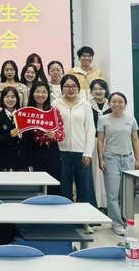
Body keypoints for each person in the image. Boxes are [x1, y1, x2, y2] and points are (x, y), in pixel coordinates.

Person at [97, 92, 139, 236]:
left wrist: (137, 159)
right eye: (114, 102)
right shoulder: (103, 119)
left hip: (128, 158)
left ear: (125, 104)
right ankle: (116, 222)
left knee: (126, 193)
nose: (117, 104)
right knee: (112, 193)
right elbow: (100, 140)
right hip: (111, 158)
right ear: (109, 103)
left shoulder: (130, 119)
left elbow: (135, 140)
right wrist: (101, 159)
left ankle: (126, 220)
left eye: (120, 102)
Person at [52, 75, 96, 206]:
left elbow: (90, 130)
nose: (70, 89)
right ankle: (65, 215)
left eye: (73, 86)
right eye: (67, 86)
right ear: (62, 88)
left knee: (85, 187)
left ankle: (87, 216)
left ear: (78, 88)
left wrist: (88, 153)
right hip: (61, 150)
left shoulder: (85, 105)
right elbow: (53, 127)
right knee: (63, 185)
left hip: (81, 151)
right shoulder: (55, 104)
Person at [28, 82, 64, 194]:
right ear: (32, 93)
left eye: (44, 92)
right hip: (33, 151)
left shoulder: (54, 111)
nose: (40, 95)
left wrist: (54, 135)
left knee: (53, 184)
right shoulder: (26, 112)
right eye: (37, 91)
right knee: (35, 185)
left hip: (51, 150)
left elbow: (61, 134)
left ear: (48, 94)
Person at [0, 86, 31, 171]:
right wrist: (9, 135)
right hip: (4, 160)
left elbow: (28, 139)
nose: (10, 100)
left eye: (13, 97)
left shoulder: (23, 115)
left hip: (21, 160)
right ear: (2, 99)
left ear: (17, 99)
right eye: (7, 97)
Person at [89, 78, 111, 210]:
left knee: (108, 171)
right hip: (94, 142)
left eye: (100, 89)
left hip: (110, 142)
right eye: (95, 89)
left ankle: (108, 202)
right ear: (91, 92)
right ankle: (97, 202)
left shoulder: (112, 104)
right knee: (95, 172)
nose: (98, 91)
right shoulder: (87, 105)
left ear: (105, 90)